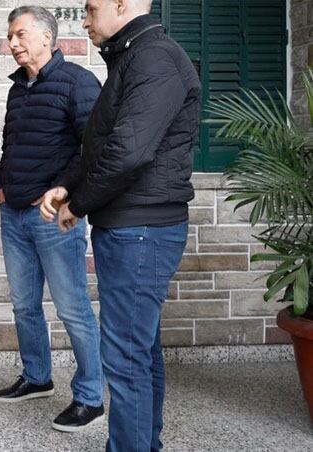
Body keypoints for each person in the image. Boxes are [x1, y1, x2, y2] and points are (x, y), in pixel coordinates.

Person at [40, 0, 200, 449]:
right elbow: (104, 141)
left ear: (122, 4)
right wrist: (68, 186)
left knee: (127, 359)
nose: (85, 19)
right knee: (138, 351)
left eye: (91, 9)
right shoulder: (134, 56)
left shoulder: (154, 58)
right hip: (133, 227)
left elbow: (129, 153)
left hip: (141, 231)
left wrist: (80, 203)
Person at [0, 5, 105, 433]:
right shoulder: (17, 89)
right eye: (10, 36)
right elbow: (10, 143)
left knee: (73, 308)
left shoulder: (77, 82)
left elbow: (91, 149)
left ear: (45, 37)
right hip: (14, 213)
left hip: (53, 218)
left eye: (20, 35)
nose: (13, 43)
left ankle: (90, 397)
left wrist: (62, 193)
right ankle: (37, 377)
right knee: (23, 304)